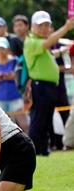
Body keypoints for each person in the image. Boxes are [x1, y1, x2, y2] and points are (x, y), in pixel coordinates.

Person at [23, 11, 74, 155]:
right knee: (39, 119)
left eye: (47, 25)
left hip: (49, 87)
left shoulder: (39, 43)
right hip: (41, 86)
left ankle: (42, 150)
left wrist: (58, 52)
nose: (44, 28)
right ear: (32, 26)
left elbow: (49, 50)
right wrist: (66, 28)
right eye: (41, 25)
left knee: (46, 120)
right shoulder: (31, 41)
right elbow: (47, 43)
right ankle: (34, 150)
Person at [0, 37, 28, 133]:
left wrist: (13, 76)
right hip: (0, 100)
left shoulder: (15, 61)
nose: (0, 51)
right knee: (2, 127)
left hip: (15, 97)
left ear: (7, 49)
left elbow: (21, 75)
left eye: (3, 48)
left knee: (24, 125)